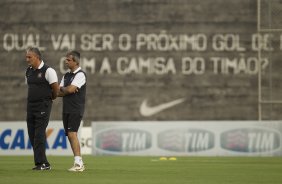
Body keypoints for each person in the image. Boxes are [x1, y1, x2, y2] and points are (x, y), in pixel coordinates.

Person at [25, 47, 59, 170]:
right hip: (31, 106)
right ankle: (42, 163)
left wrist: (50, 99)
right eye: (27, 57)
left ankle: (42, 163)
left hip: (43, 106)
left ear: (37, 57)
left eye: (30, 57)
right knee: (32, 134)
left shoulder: (48, 71)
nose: (27, 59)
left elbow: (56, 88)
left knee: (39, 134)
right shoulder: (28, 71)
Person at [58, 50, 86, 172]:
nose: (66, 61)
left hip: (75, 108)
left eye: (68, 60)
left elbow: (69, 90)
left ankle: (79, 164)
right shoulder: (66, 76)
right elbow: (59, 92)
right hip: (66, 109)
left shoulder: (80, 75)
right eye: (66, 59)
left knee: (72, 133)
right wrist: (65, 90)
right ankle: (78, 161)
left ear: (76, 62)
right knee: (70, 135)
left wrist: (65, 90)